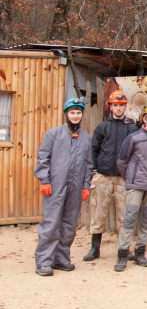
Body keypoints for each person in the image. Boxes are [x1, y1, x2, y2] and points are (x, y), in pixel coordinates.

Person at [34, 98, 93, 276]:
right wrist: (44, 180)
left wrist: (85, 185)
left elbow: (89, 163)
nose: (75, 116)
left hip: (75, 187)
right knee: (51, 222)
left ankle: (61, 258)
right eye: (72, 112)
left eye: (78, 113)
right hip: (55, 185)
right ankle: (44, 261)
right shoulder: (54, 134)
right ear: (66, 114)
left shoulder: (85, 137)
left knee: (69, 224)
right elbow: (43, 158)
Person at [84, 90, 138, 262]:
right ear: (110, 106)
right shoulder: (102, 127)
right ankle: (95, 249)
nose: (118, 108)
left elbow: (136, 152)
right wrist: (94, 171)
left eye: (121, 105)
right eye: (115, 105)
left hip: (123, 178)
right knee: (98, 212)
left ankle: (124, 249)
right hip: (103, 175)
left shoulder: (131, 128)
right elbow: (93, 150)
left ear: (125, 107)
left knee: (124, 214)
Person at [115, 106, 147, 272]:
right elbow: (122, 161)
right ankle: (122, 253)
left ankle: (140, 252)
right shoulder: (134, 138)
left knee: (146, 220)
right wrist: (130, 178)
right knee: (130, 218)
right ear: (144, 119)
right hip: (136, 185)